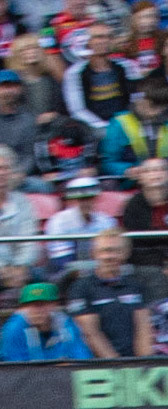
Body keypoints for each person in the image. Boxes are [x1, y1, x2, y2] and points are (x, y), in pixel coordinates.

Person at [66, 226, 151, 356]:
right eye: (104, 251)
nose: (109, 256)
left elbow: (143, 328)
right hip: (99, 366)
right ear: (93, 253)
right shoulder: (81, 287)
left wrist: (145, 363)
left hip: (135, 365)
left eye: (116, 251)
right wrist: (116, 365)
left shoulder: (135, 285)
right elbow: (90, 333)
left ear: (126, 253)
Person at [1, 280, 93, 360]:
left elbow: (82, 359)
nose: (36, 310)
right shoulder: (13, 329)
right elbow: (16, 370)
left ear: (54, 305)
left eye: (42, 304)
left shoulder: (66, 324)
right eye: (30, 305)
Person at [64, 26, 133, 132]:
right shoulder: (74, 73)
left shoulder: (125, 66)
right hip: (94, 128)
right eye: (98, 37)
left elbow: (134, 98)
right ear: (87, 43)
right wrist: (104, 127)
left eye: (108, 37)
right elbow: (77, 110)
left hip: (126, 123)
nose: (104, 41)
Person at [44, 174, 115, 274]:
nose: (85, 203)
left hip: (102, 272)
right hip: (68, 274)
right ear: (70, 200)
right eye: (80, 199)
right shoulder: (58, 222)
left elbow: (113, 254)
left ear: (96, 199)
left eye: (89, 198)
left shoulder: (107, 221)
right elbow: (62, 260)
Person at [0, 149, 43, 294]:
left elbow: (29, 239)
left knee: (41, 280)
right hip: (1, 268)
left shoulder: (23, 202)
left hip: (21, 267)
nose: (2, 173)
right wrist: (2, 268)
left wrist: (21, 266)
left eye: (5, 168)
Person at [0, 70, 40, 170]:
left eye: (14, 86)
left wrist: (20, 174)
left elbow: (30, 155)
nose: (9, 91)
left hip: (20, 175)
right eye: (5, 87)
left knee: (40, 185)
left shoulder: (29, 119)